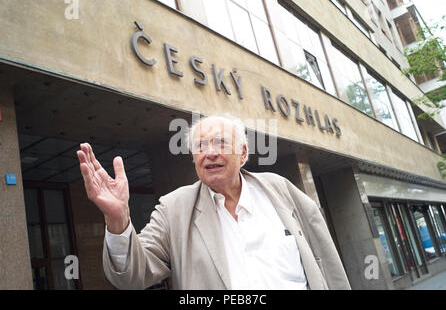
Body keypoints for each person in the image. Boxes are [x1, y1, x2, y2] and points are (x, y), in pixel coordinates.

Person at [76, 115, 351, 290]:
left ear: (242, 153)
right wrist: (118, 218)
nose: (209, 153)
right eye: (200, 146)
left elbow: (326, 260)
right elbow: (131, 276)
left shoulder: (281, 190)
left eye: (219, 142)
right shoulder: (175, 209)